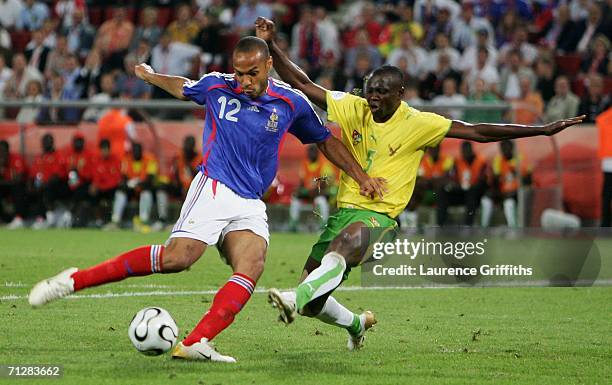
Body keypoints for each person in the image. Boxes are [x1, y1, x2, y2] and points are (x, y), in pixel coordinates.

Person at [28, 36, 384, 362]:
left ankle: (197, 341)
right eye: (239, 73)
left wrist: (362, 177)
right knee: (177, 259)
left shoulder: (290, 101)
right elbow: (183, 87)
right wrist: (151, 76)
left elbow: (324, 139)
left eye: (252, 74)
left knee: (252, 265)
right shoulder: (217, 85)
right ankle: (74, 280)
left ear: (269, 66)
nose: (244, 81)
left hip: (250, 200)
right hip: (214, 187)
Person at [255, 16, 585, 351]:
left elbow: (478, 131)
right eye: (370, 91)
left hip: (380, 218)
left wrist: (541, 129)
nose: (374, 98)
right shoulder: (353, 106)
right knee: (315, 303)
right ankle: (356, 325)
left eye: (382, 92)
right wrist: (272, 46)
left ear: (400, 94)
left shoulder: (419, 122)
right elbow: (303, 83)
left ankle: (292, 299)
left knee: (336, 256)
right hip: (344, 212)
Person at [481, 140, 531, 228]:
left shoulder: (520, 159)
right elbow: (496, 181)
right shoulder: (498, 160)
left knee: (509, 202)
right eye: (502, 148)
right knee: (486, 200)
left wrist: (516, 172)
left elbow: (527, 180)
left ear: (512, 148)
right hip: (503, 193)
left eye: (506, 147)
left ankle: (513, 228)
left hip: (517, 194)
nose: (504, 150)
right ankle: (484, 227)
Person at [437, 141, 487, 226]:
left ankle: (468, 224)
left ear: (471, 150)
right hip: (461, 191)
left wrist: (470, 186)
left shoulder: (481, 161)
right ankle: (441, 224)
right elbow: (452, 178)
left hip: (475, 193)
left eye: (467, 151)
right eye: (464, 151)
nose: (466, 153)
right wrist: (454, 185)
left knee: (472, 192)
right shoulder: (457, 162)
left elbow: (483, 180)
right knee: (442, 191)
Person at [288, 144, 337, 231]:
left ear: (317, 153)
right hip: (308, 193)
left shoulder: (324, 164)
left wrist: (314, 191)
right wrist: (300, 191)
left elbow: (325, 183)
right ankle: (293, 224)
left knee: (321, 202)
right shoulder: (305, 164)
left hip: (319, 193)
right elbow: (302, 182)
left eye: (313, 152)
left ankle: (323, 224)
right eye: (309, 152)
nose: (311, 154)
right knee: (295, 200)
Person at [0, 140, 28, 229]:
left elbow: (18, 180)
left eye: (3, 151)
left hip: (21, 186)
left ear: (8, 151)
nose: (1, 154)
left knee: (17, 188)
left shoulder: (16, 159)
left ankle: (19, 219)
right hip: (6, 187)